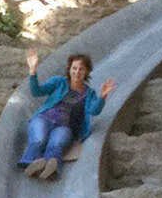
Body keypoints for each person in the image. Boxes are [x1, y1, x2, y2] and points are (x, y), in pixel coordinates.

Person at [17, 49, 116, 180]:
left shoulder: (89, 93)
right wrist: (33, 71)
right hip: (44, 119)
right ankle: (32, 163)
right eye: (74, 68)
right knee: (38, 140)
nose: (77, 72)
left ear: (86, 72)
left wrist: (102, 96)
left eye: (81, 69)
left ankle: (49, 166)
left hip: (64, 126)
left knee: (56, 144)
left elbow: (94, 110)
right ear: (69, 69)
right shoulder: (59, 82)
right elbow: (37, 91)